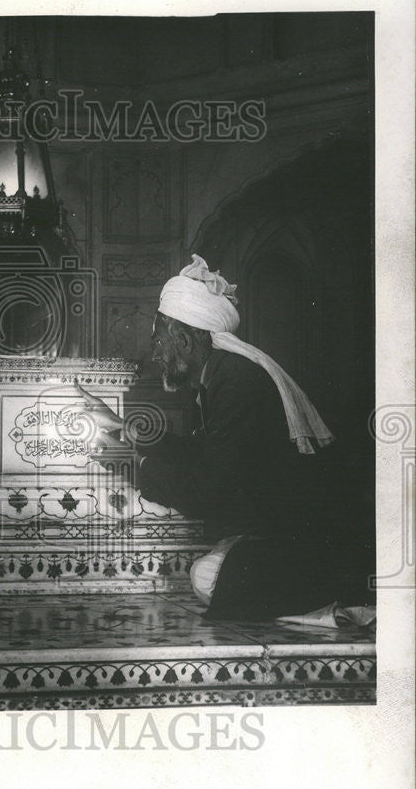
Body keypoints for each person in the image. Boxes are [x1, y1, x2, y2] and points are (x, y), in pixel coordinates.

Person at [75, 255, 375, 622]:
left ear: (183, 340)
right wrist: (123, 427)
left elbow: (206, 489)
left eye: (158, 342)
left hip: (320, 545)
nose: (154, 355)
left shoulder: (235, 381)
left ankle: (339, 604)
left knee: (206, 576)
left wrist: (133, 460)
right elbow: (202, 453)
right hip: (299, 536)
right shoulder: (224, 375)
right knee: (216, 563)